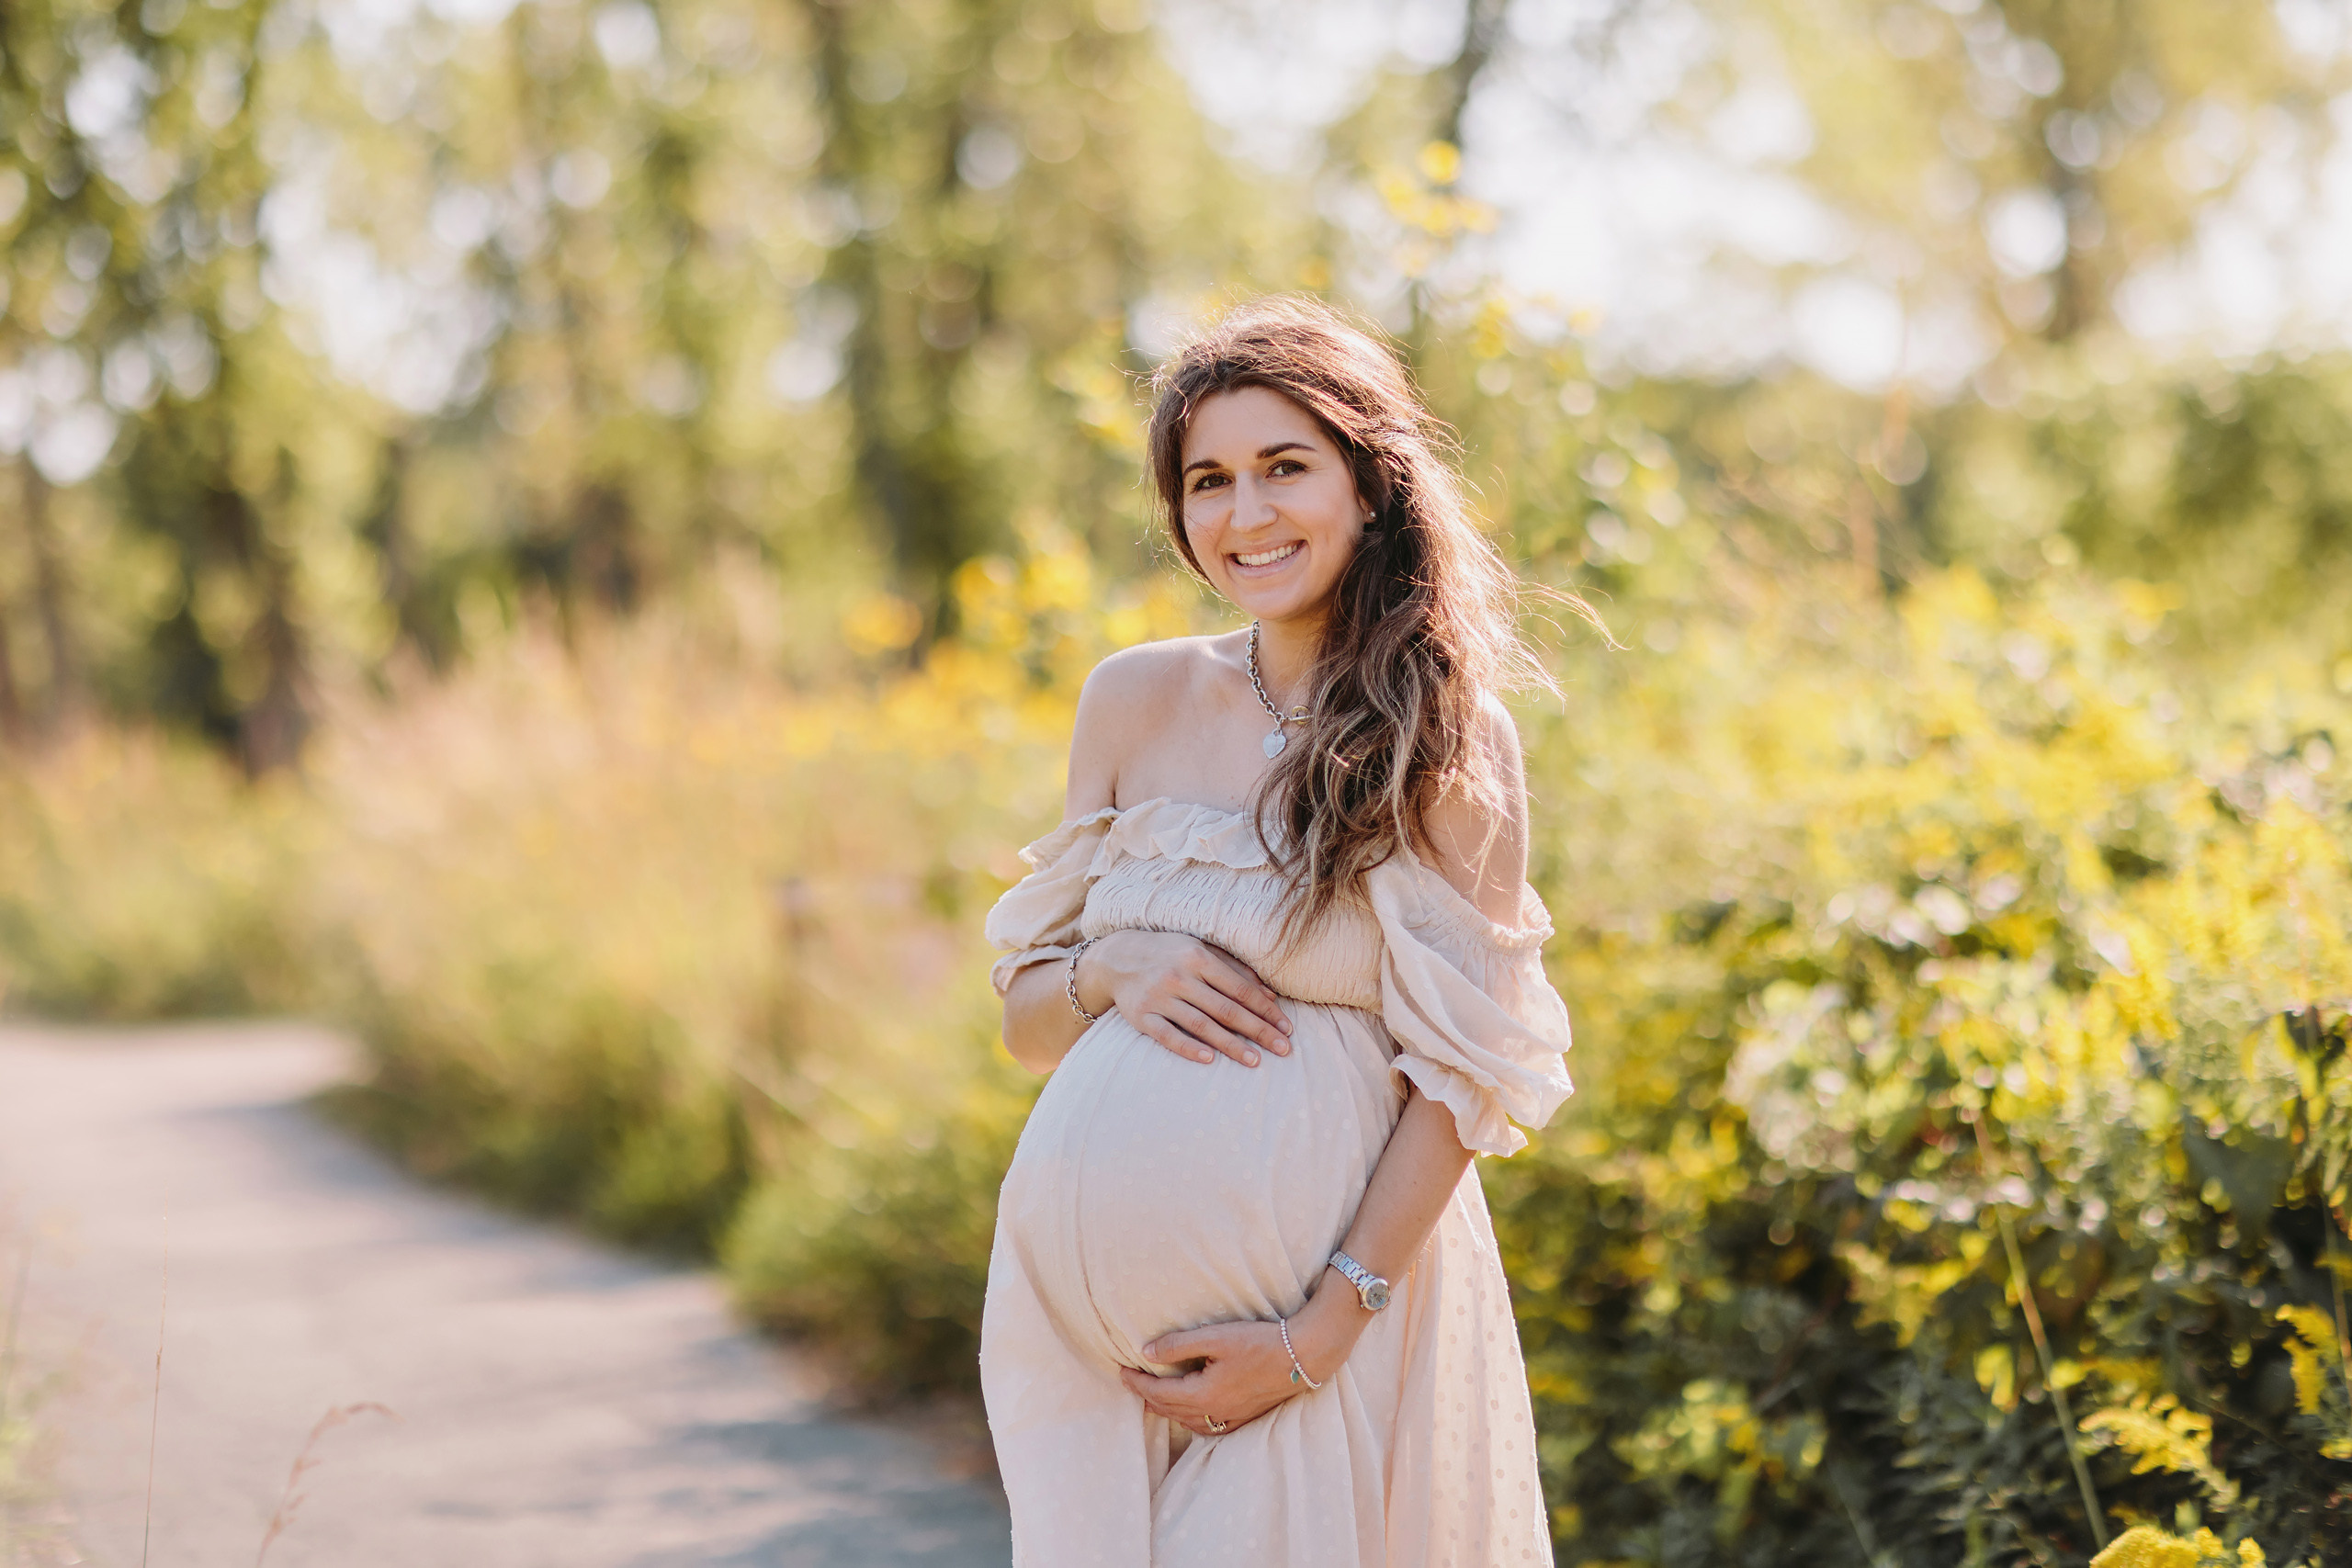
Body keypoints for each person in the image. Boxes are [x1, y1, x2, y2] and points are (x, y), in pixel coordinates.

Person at [980, 296, 1588, 1566]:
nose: (1245, 514)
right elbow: (1028, 1028)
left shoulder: (1450, 739)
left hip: (1316, 1338)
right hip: (1080, 1366)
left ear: (1369, 485)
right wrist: (1108, 967)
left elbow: (1467, 1077)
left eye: (1284, 467)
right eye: (1209, 480)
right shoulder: (1134, 698)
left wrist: (1319, 1334)